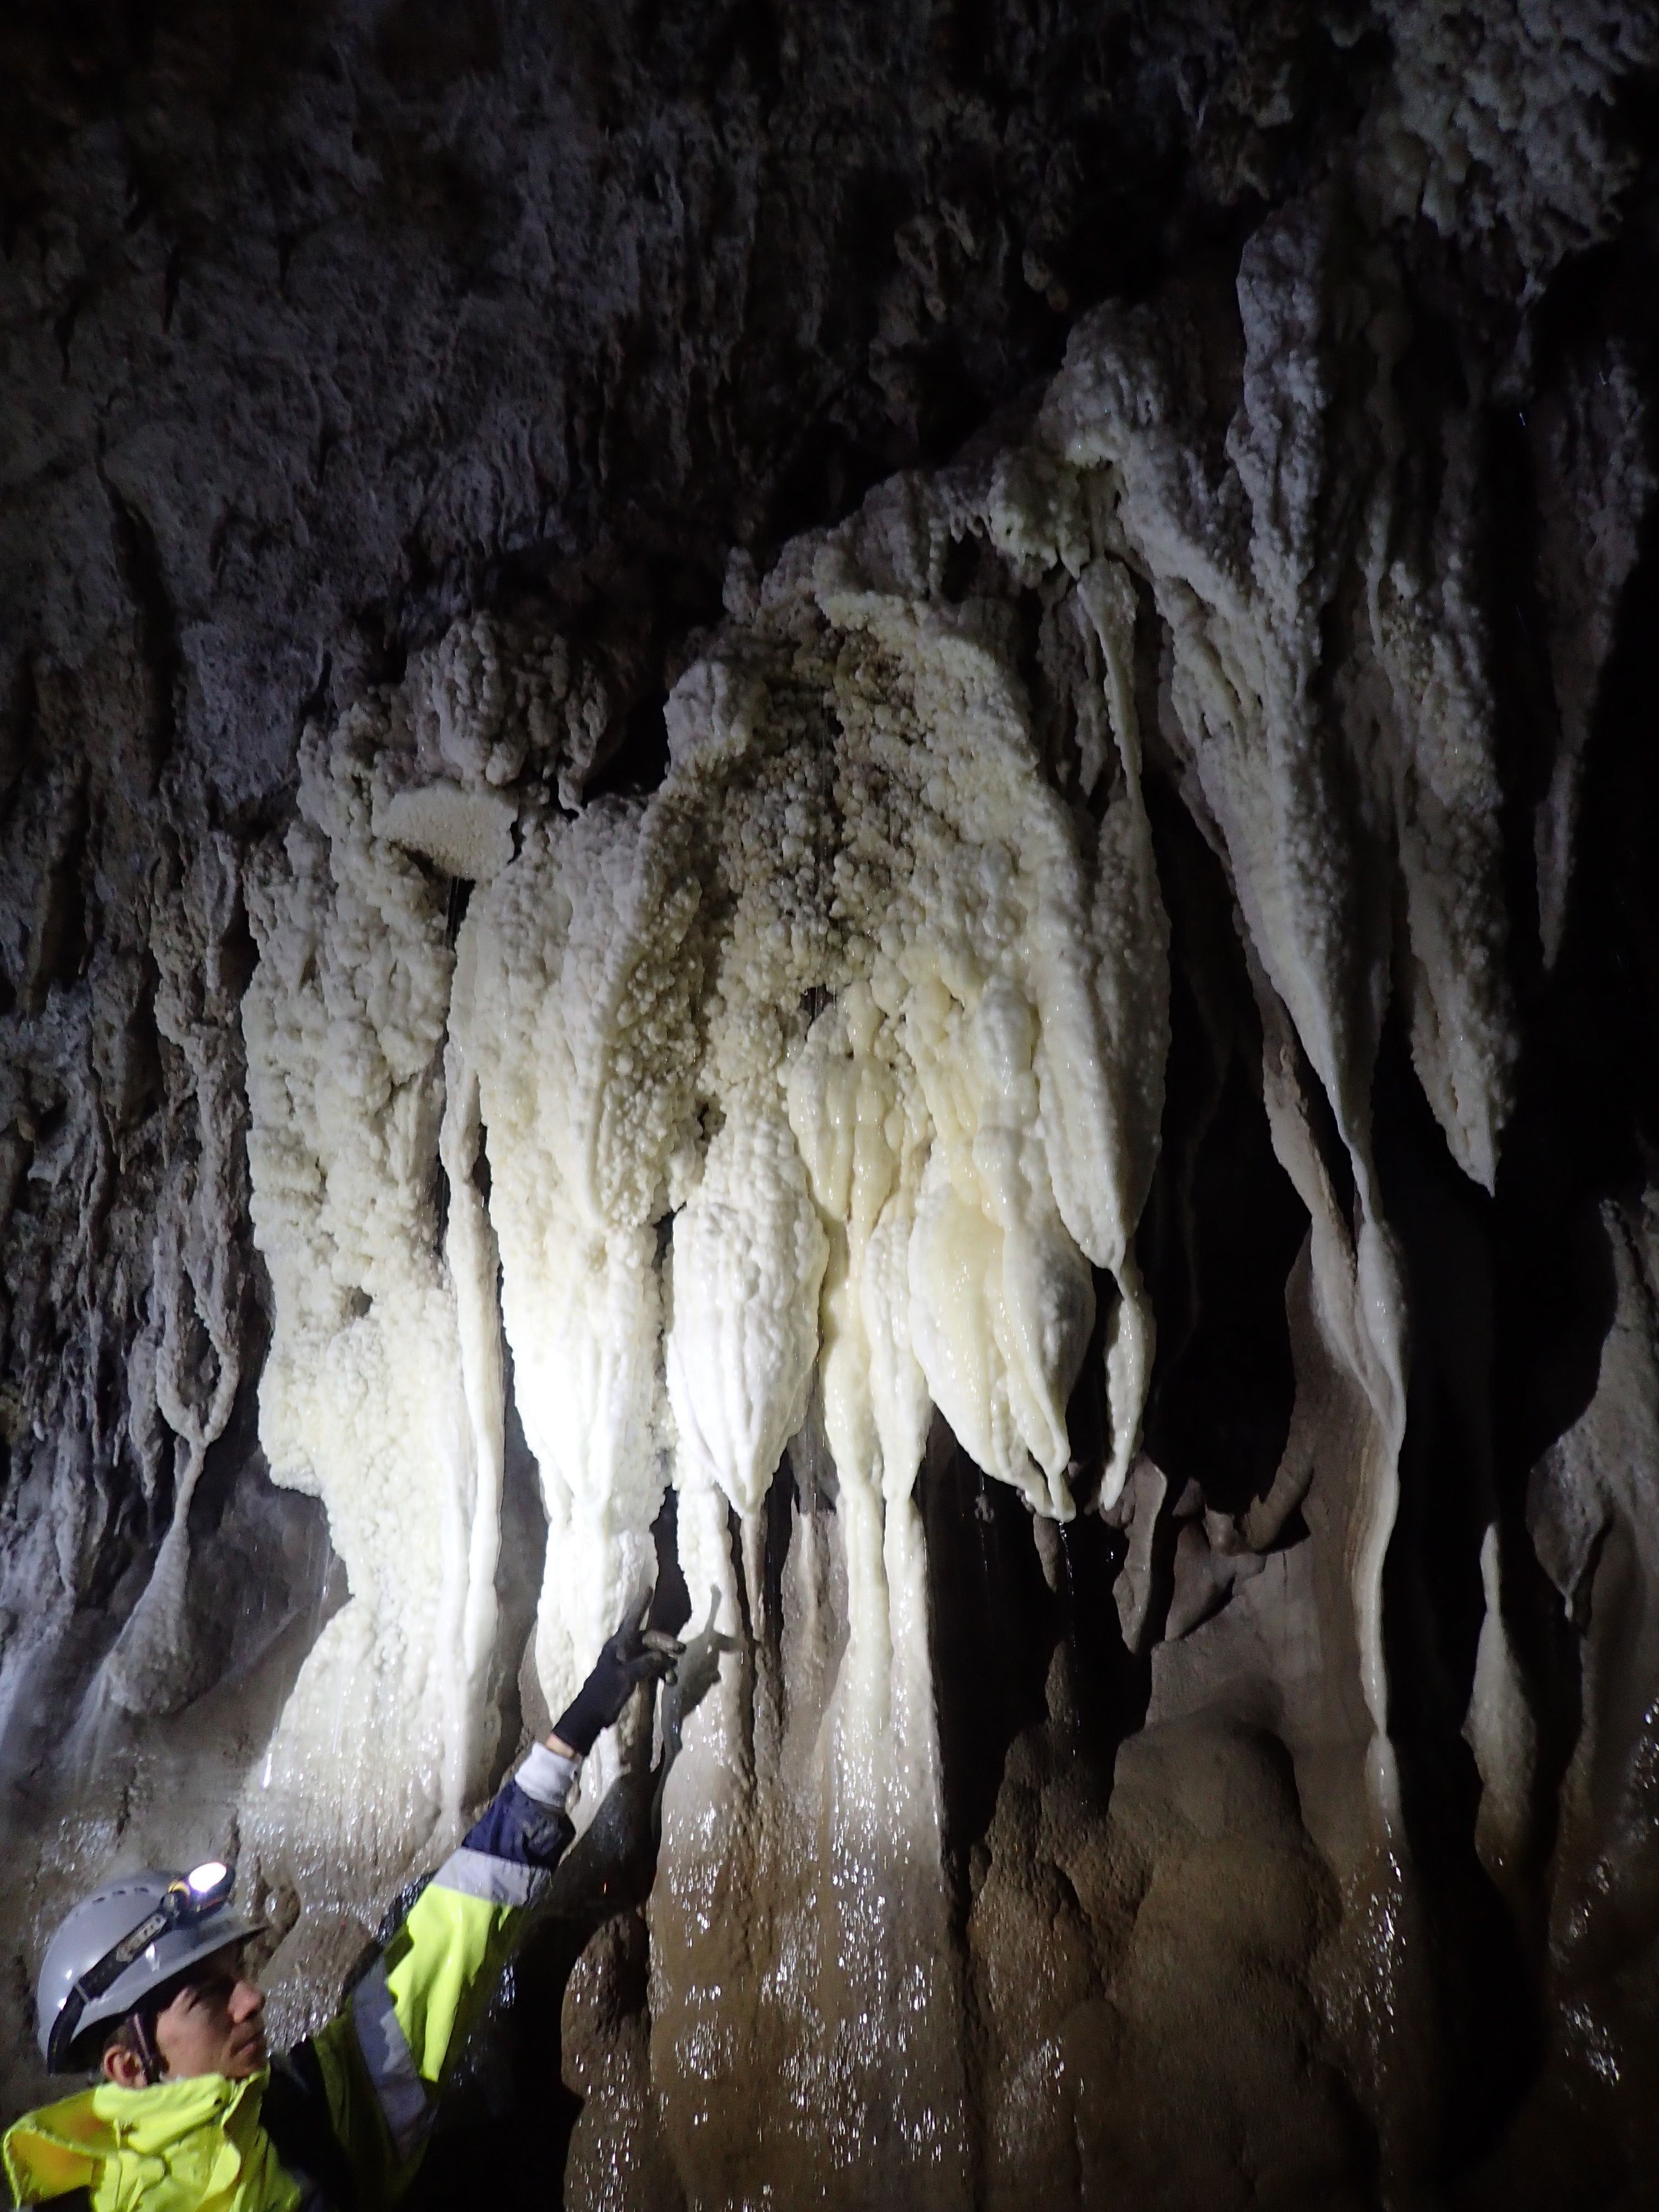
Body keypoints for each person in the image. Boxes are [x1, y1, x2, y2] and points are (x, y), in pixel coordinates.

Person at [3, 1602, 681, 2210]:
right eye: (209, 1998)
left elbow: (441, 1953)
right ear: (130, 2066)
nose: (251, 1999)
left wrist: (576, 1729)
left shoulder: (313, 2111)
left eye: (239, 1974)